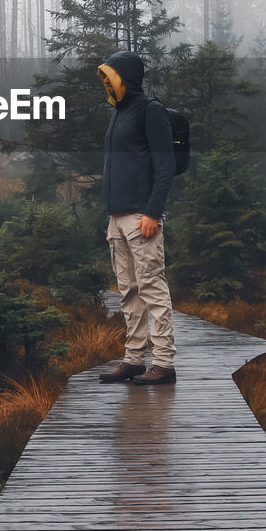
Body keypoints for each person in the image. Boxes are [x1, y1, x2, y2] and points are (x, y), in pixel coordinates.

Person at [95, 50, 177, 385]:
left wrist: (152, 212)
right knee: (128, 291)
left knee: (152, 289)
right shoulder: (118, 113)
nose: (105, 82)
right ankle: (134, 359)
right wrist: (113, 216)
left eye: (109, 76)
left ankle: (164, 363)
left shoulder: (150, 111)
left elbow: (165, 165)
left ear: (124, 77)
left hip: (142, 216)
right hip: (118, 219)